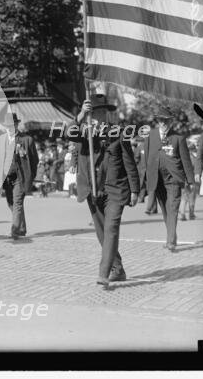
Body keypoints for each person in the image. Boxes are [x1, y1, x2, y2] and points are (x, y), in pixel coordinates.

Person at [71, 95, 139, 288]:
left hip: (116, 189)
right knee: (102, 233)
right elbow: (68, 133)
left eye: (101, 112)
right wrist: (81, 114)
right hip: (93, 190)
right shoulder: (82, 133)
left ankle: (104, 273)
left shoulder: (119, 133)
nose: (98, 116)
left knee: (111, 229)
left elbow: (130, 162)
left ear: (106, 113)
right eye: (94, 112)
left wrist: (135, 190)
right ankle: (118, 269)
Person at [143, 106, 195, 252]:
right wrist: (147, 177)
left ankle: (171, 241)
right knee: (166, 210)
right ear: (158, 121)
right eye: (161, 120)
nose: (163, 123)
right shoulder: (150, 136)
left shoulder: (178, 138)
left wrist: (190, 181)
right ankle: (172, 236)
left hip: (173, 179)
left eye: (166, 121)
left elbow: (186, 161)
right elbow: (147, 159)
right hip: (157, 179)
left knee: (172, 208)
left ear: (171, 122)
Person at [0, 105, 38, 240]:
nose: (10, 127)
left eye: (13, 124)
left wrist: (30, 176)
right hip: (6, 178)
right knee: (11, 203)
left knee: (17, 202)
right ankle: (22, 228)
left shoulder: (27, 140)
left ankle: (14, 230)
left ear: (17, 124)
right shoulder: (0, 140)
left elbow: (34, 160)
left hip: (20, 177)